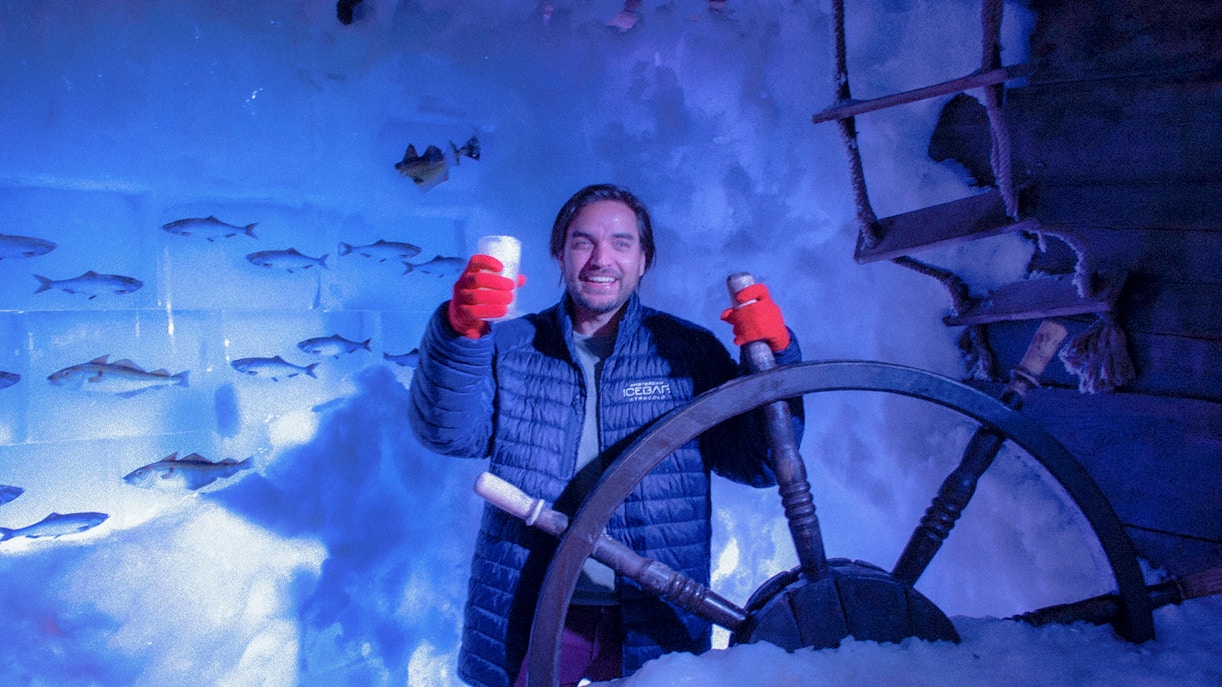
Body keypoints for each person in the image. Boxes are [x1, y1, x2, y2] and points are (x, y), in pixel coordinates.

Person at [408, 184, 803, 687]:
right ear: (559, 254)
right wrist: (459, 334)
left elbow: (760, 462)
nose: (601, 259)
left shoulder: (687, 352)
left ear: (644, 260)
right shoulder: (512, 347)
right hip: (535, 610)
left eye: (621, 242)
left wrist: (777, 357)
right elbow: (446, 433)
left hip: (654, 613)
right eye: (582, 241)